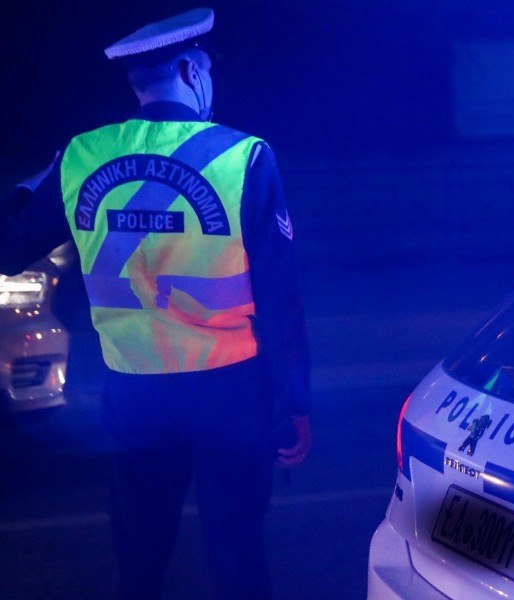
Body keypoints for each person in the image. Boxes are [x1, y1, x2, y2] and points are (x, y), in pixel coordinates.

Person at [0, 8, 312, 599]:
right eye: (208, 71)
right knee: (237, 556)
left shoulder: (83, 155)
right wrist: (294, 400)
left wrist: (39, 183)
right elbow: (280, 296)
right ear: (192, 71)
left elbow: (10, 246)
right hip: (229, 390)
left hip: (133, 389)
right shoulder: (244, 156)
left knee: (139, 556)